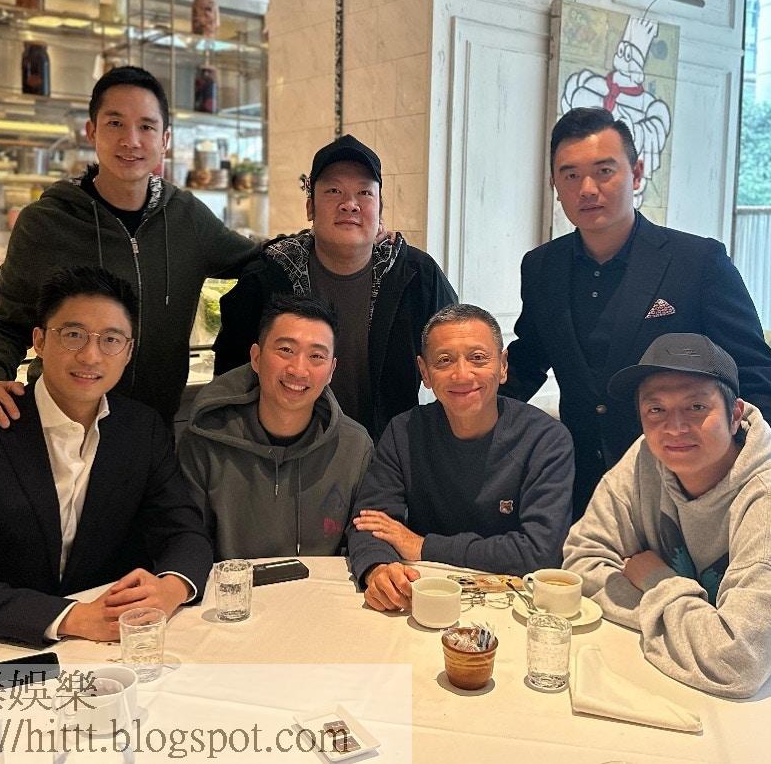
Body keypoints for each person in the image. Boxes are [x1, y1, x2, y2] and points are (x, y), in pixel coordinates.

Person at [502, 106, 771, 517]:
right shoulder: (541, 266)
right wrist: (462, 410)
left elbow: (755, 373)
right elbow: (529, 360)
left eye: (604, 171)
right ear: (555, 184)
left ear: (637, 173)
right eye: (570, 175)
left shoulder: (697, 261)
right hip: (582, 484)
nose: (587, 189)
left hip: (683, 481)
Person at [0, 266, 212, 663]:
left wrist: (170, 589)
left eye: (111, 340)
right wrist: (76, 618)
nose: (90, 355)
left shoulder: (141, 430)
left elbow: (184, 533)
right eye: (73, 334)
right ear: (39, 341)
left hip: (95, 651)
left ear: (128, 351)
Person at [563, 333, 771, 727]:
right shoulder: (646, 457)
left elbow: (737, 663)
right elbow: (581, 561)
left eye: (696, 407)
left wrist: (657, 581)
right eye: (656, 409)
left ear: (735, 413)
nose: (674, 427)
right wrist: (700, 629)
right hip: (700, 677)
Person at [0, 65, 257, 429]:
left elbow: (258, 260)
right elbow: (6, 324)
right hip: (61, 428)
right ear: (92, 131)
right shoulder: (47, 222)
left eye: (146, 126)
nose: (131, 140)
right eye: (115, 123)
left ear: (165, 139)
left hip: (152, 431)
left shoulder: (188, 217)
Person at [212, 134, 457, 441]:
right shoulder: (267, 278)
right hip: (286, 455)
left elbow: (457, 356)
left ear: (380, 209)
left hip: (389, 455)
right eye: (333, 191)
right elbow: (229, 382)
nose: (349, 205)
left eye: (364, 193)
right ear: (310, 207)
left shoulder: (416, 275)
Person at [348, 303, 574, 613]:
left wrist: (421, 545)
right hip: (426, 595)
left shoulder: (545, 439)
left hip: (516, 605)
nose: (462, 374)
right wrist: (378, 569)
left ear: (503, 366)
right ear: (425, 373)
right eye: (444, 360)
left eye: (478, 358)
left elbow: (540, 552)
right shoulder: (405, 431)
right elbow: (371, 522)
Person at [178, 295, 373, 559]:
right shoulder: (205, 439)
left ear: (331, 370)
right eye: (286, 350)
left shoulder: (355, 447)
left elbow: (364, 537)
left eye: (316, 356)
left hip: (320, 584)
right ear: (256, 357)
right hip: (231, 584)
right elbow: (186, 539)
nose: (298, 370)